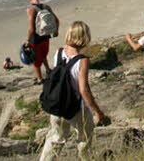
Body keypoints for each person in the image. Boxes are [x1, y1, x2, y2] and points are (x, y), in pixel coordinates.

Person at [40, 21, 107, 161]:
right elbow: (83, 90)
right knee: (85, 136)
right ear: (84, 37)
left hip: (57, 104)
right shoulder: (82, 61)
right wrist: (97, 112)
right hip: (75, 107)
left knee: (55, 138)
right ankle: (85, 158)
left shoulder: (58, 53)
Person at [26, 0, 60, 84]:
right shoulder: (46, 7)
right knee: (44, 54)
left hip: (36, 38)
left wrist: (27, 40)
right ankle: (48, 70)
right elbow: (57, 20)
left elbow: (31, 29)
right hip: (46, 35)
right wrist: (56, 31)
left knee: (35, 59)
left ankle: (40, 79)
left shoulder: (31, 10)